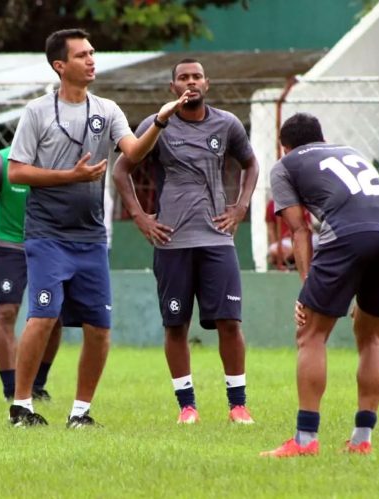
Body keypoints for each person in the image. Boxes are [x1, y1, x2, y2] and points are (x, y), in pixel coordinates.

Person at [6, 28, 189, 428]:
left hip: (90, 237)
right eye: (81, 55)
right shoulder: (37, 112)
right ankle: (21, 406)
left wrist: (158, 121)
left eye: (92, 53)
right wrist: (69, 176)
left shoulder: (106, 109)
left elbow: (135, 152)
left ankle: (80, 412)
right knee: (42, 316)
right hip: (47, 234)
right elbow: (16, 171)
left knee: (100, 327)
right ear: (60, 66)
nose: (91, 60)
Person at [113, 58, 259, 425]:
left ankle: (238, 405)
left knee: (229, 322)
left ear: (207, 83)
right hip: (172, 241)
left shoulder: (226, 124)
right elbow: (121, 170)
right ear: (173, 87)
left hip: (217, 240)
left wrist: (241, 207)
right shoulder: (156, 124)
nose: (190, 82)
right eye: (183, 78)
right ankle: (187, 406)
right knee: (175, 325)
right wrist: (140, 216)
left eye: (196, 76)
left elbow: (251, 164)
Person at [261, 113, 379, 457]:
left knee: (311, 334)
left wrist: (306, 286)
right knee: (371, 336)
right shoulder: (350, 152)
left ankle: (305, 440)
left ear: (284, 146)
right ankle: (361, 439)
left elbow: (299, 230)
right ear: (322, 139)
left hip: (349, 234)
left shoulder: (284, 166)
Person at [0, 146, 62, 402]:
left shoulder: (59, 158)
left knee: (54, 316)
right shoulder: (1, 163)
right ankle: (11, 387)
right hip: (10, 247)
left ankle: (37, 384)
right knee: (6, 312)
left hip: (51, 245)